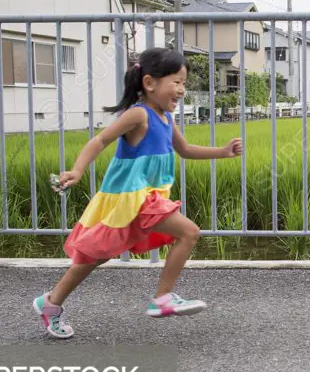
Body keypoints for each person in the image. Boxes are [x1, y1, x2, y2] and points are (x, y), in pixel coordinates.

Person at [33, 47, 243, 339]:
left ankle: (50, 303)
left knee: (94, 258)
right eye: (177, 82)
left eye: (184, 83)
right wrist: (77, 170)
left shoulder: (166, 119)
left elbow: (185, 150)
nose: (182, 90)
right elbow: (100, 140)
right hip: (128, 197)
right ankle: (163, 298)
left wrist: (222, 152)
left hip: (147, 196)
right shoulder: (138, 115)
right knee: (188, 232)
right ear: (149, 83)